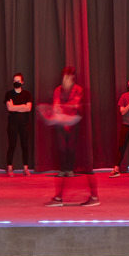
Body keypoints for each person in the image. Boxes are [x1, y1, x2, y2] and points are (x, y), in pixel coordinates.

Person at [42, 66, 99, 206]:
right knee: (62, 149)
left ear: (73, 78)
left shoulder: (78, 89)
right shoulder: (58, 90)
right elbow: (56, 106)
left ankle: (90, 195)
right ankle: (61, 192)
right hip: (61, 124)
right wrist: (58, 108)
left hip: (74, 124)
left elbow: (76, 105)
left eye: (68, 77)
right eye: (64, 77)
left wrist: (63, 107)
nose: (66, 80)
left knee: (74, 152)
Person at [5, 73, 35, 175]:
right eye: (14, 81)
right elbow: (9, 108)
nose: (16, 83)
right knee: (12, 145)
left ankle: (25, 168)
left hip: (24, 124)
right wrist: (23, 106)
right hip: (12, 124)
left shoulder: (27, 94)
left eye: (18, 81)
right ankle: (9, 168)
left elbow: (29, 108)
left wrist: (16, 107)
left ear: (22, 82)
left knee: (25, 146)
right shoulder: (9, 94)